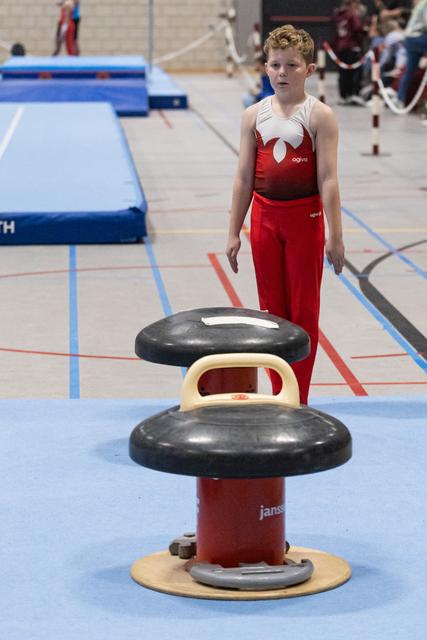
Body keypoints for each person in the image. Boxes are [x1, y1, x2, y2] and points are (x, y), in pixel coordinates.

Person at [225, 24, 345, 405]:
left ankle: (300, 399)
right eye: (275, 65)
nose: (282, 73)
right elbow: (244, 177)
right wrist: (233, 232)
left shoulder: (319, 116)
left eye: (292, 65)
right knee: (272, 315)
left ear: (309, 70)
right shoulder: (253, 116)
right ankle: (280, 396)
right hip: (264, 220)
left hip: (305, 220)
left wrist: (335, 234)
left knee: (304, 313)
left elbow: (327, 179)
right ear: (265, 68)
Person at [332, 0, 365, 104]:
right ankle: (354, 94)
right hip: (352, 46)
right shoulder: (352, 14)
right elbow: (357, 28)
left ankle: (343, 95)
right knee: (356, 71)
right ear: (353, 4)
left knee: (343, 72)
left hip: (341, 47)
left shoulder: (338, 15)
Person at [397, 0, 427, 105]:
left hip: (410, 39)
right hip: (417, 37)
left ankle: (400, 99)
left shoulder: (421, 4)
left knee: (410, 70)